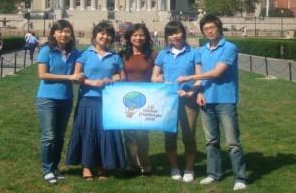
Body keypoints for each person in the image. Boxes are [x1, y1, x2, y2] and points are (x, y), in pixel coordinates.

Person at [177, 14, 247, 191]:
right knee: (211, 141)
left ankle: (240, 177)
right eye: (206, 29)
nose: (209, 31)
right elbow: (202, 78)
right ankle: (213, 173)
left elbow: (216, 73)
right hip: (206, 100)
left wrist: (189, 77)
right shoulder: (201, 50)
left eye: (212, 28)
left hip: (225, 100)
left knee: (232, 142)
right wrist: (196, 91)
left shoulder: (229, 47)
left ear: (219, 28)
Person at [66, 21, 126, 180]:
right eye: (102, 34)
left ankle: (102, 165)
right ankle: (86, 167)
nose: (105, 37)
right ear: (95, 36)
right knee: (88, 132)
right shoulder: (84, 55)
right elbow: (75, 77)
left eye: (108, 35)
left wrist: (116, 77)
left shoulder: (115, 57)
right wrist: (91, 82)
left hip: (108, 101)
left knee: (105, 133)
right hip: (88, 100)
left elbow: (122, 76)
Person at [36, 20, 85, 185]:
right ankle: (47, 169)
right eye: (59, 31)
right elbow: (43, 75)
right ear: (53, 33)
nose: (63, 35)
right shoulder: (47, 51)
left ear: (71, 34)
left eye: (66, 31)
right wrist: (68, 77)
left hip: (66, 98)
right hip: (47, 98)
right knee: (49, 136)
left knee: (59, 136)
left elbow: (86, 68)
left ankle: (55, 167)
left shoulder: (76, 53)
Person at [152, 21, 201, 183]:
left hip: (189, 101)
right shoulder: (162, 54)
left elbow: (199, 79)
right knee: (170, 135)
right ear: (167, 36)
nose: (175, 36)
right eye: (171, 33)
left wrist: (190, 92)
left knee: (189, 135)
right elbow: (154, 77)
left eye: (178, 32)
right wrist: (158, 79)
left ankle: (189, 168)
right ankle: (174, 167)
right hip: (169, 101)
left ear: (183, 33)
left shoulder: (194, 53)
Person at [120, 23, 156, 176]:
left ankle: (145, 163)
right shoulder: (122, 55)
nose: (138, 38)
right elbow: (117, 73)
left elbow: (157, 73)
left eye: (141, 35)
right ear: (129, 38)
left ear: (147, 37)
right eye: (135, 35)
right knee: (129, 133)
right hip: (127, 98)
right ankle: (131, 163)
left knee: (142, 133)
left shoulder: (153, 55)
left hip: (146, 98)